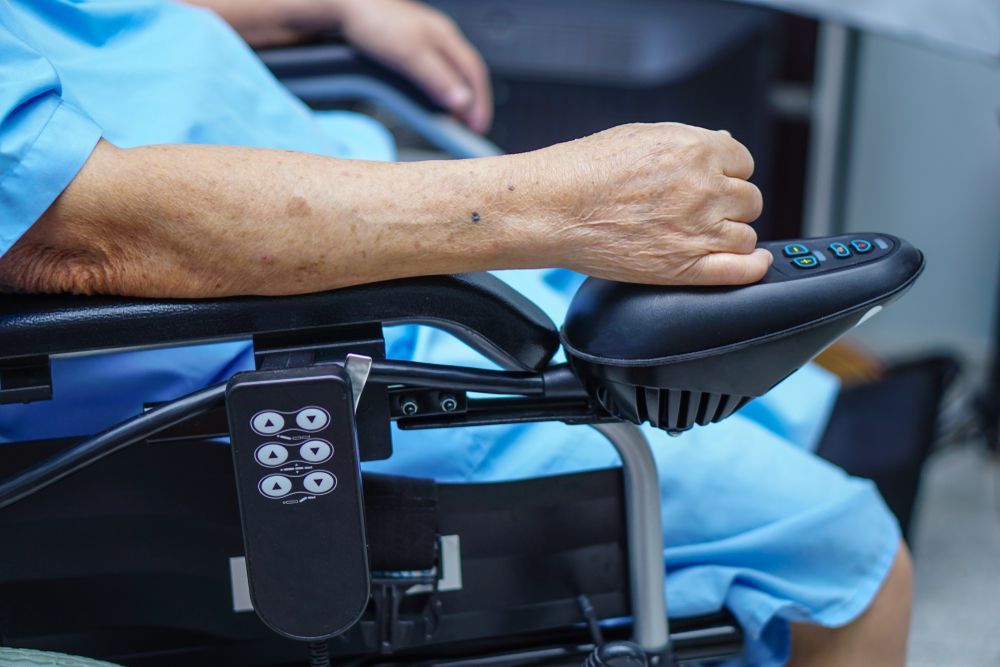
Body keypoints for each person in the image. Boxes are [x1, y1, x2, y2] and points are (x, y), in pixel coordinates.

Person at [0, 1, 910, 665]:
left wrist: (327, 6)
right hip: (294, 367)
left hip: (343, 233)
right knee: (853, 562)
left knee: (788, 404)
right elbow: (74, 235)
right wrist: (556, 201)